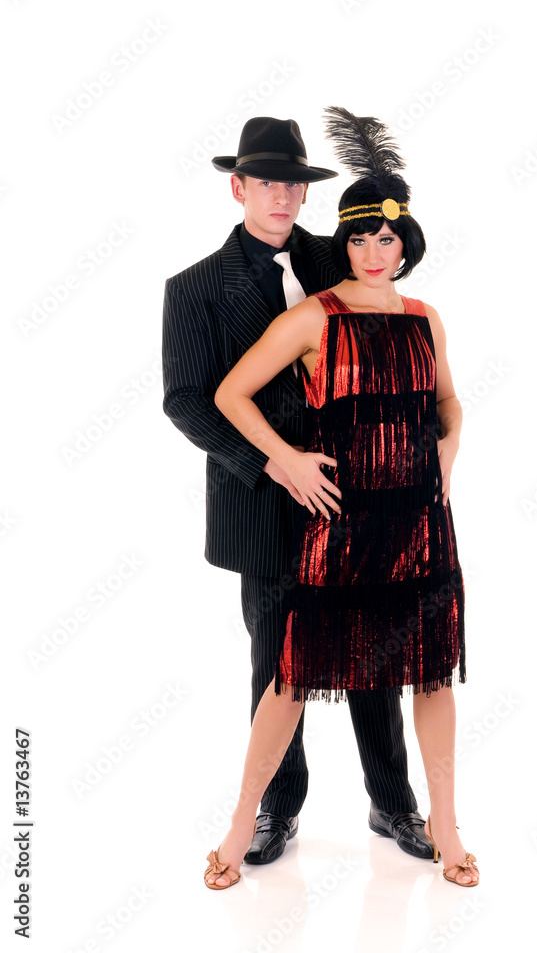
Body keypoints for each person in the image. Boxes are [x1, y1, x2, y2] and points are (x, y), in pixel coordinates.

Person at [204, 107, 478, 891]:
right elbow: (228, 394)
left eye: (387, 239)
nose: (373, 252)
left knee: (430, 673)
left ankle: (444, 823)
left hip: (421, 523)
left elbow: (449, 402)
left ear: (406, 245)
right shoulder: (313, 317)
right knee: (291, 676)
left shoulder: (426, 320)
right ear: (344, 243)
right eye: (359, 238)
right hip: (341, 523)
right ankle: (241, 824)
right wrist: (287, 457)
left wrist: (450, 446)